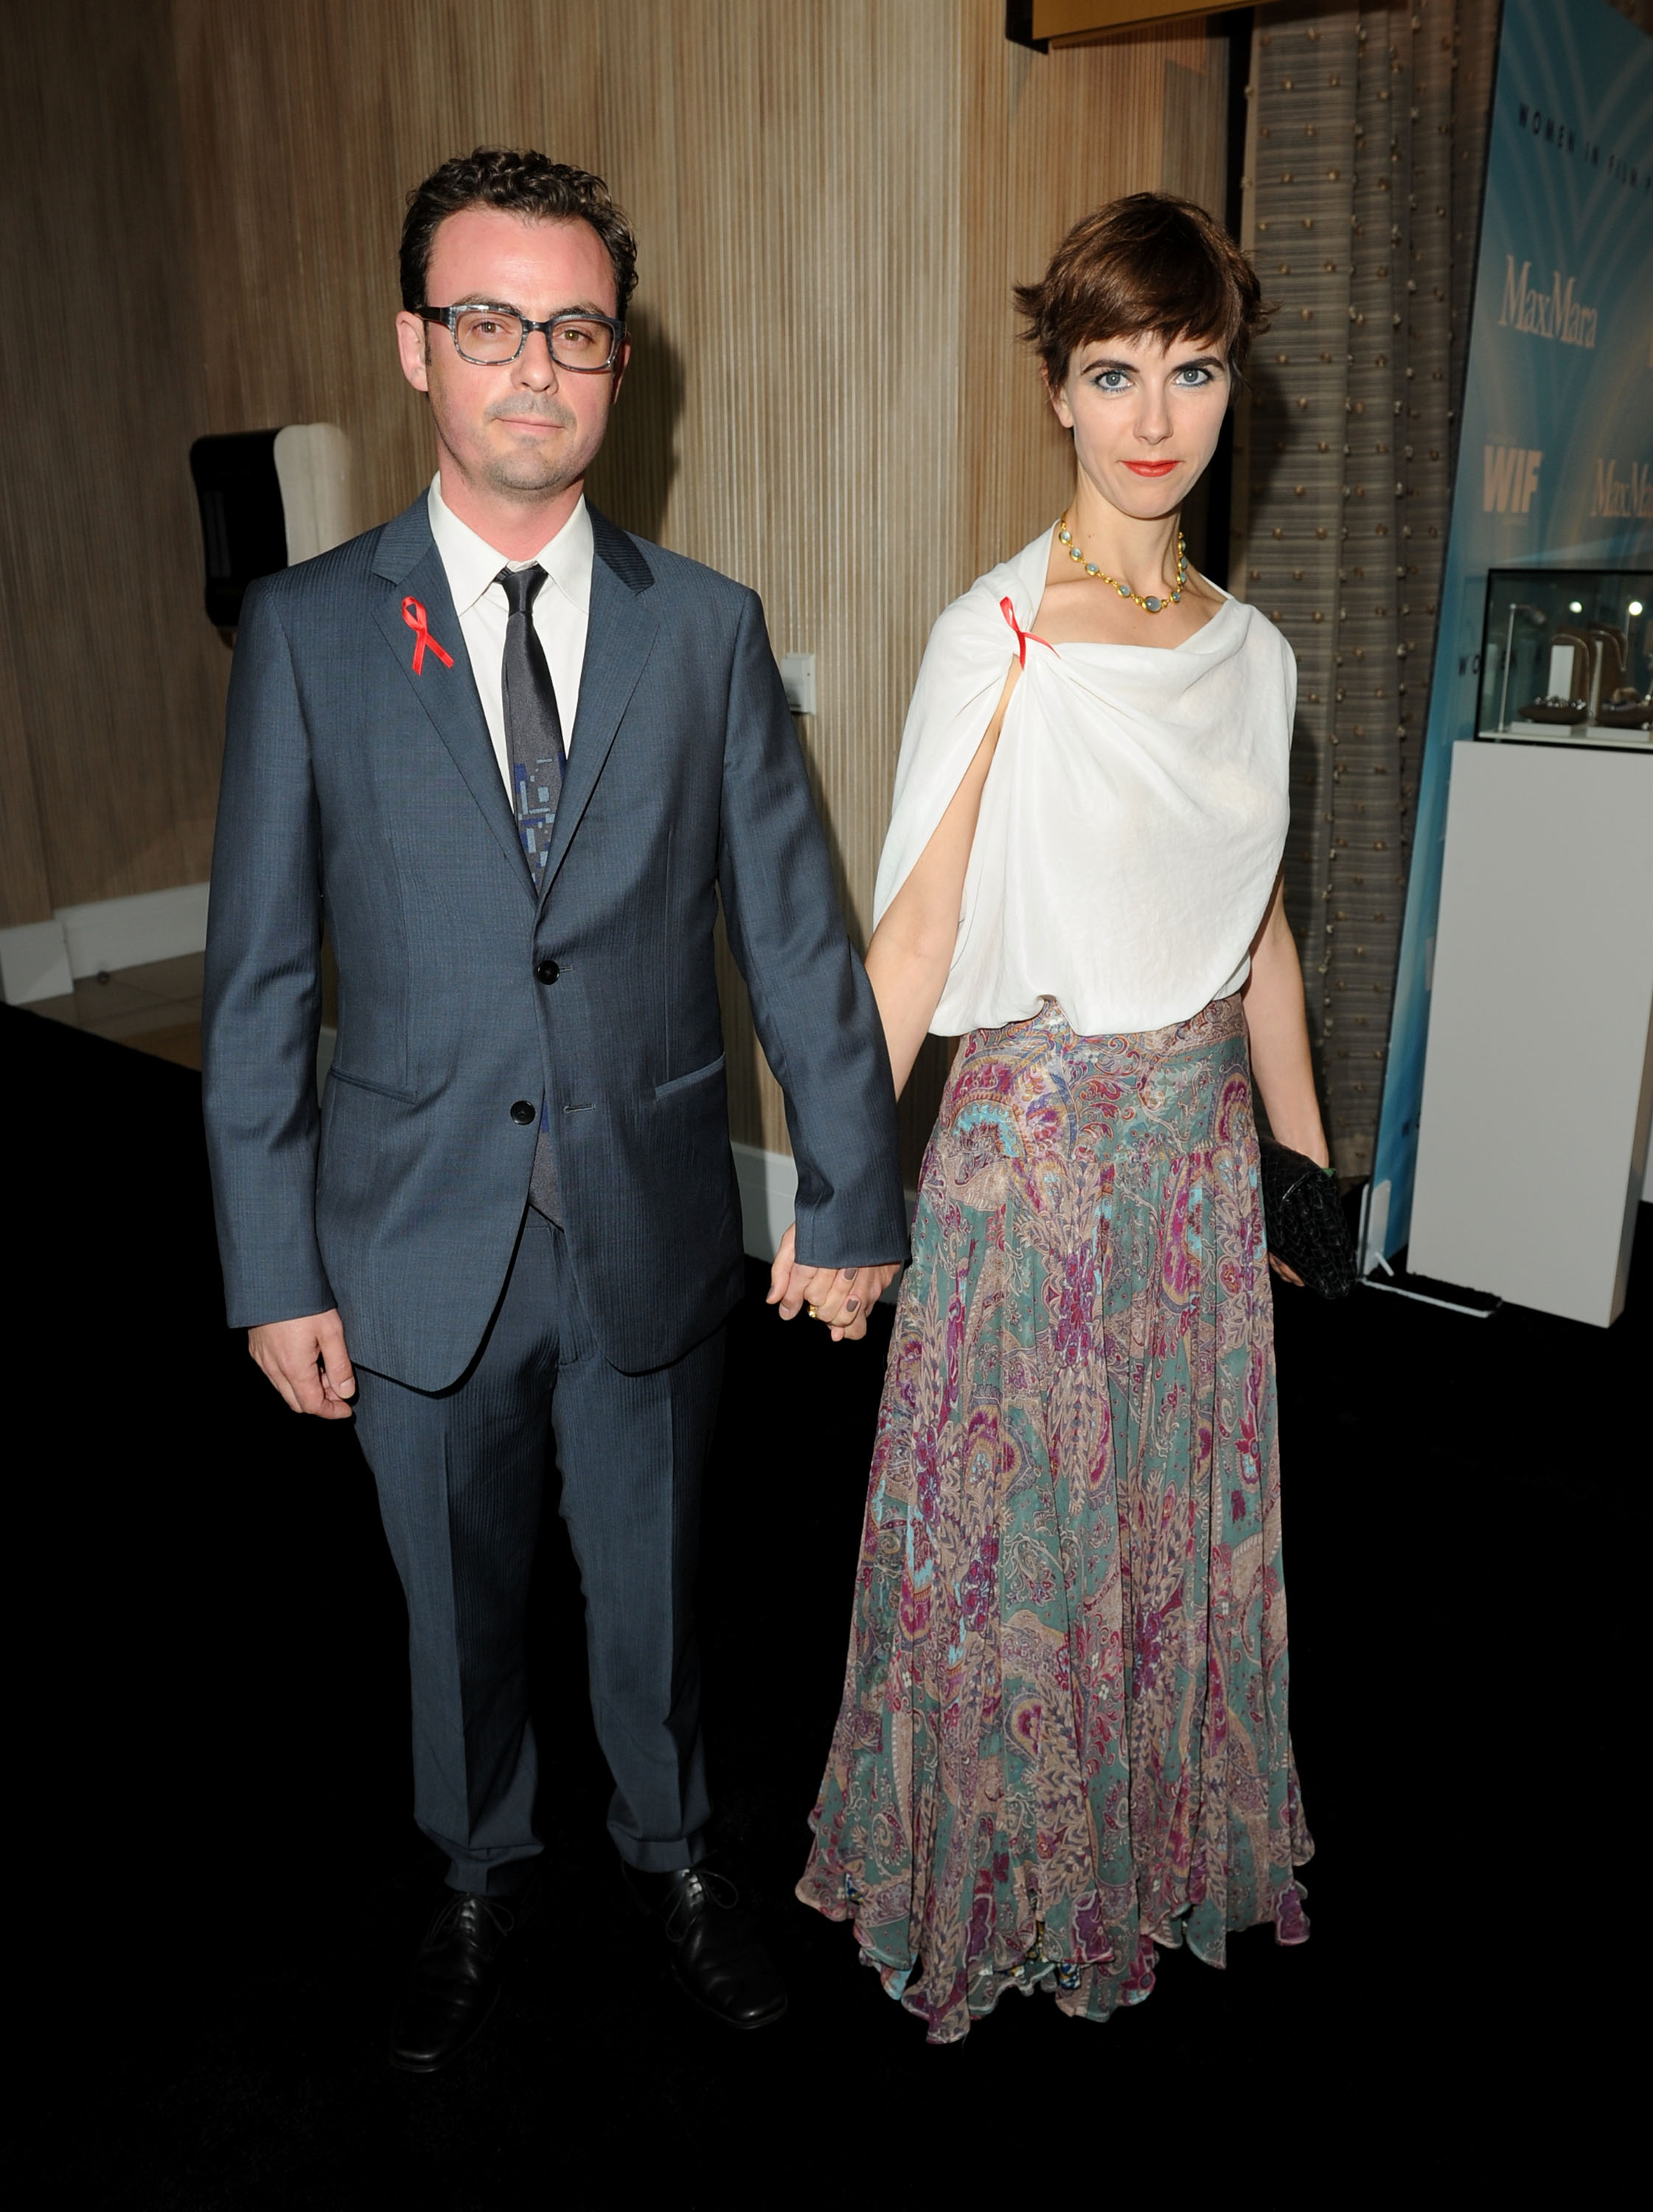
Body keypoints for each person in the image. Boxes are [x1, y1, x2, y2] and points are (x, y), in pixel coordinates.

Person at [201, 147, 906, 2072]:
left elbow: (799, 941)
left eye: (574, 331)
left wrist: (847, 1197)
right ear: (417, 345)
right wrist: (272, 1266)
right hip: (408, 1229)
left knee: (659, 1592)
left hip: (651, 1214)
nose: (536, 368)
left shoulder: (707, 633)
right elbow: (260, 981)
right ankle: (476, 1876)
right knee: (452, 1608)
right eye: (491, 324)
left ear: (618, 362)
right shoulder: (312, 633)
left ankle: (679, 1858)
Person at [797, 194, 1320, 2044]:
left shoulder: (1252, 661)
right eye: (1113, 372)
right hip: (1028, 1173)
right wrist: (840, 1185)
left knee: (1163, 1529)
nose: (1154, 412)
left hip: (1188, 1173)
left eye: (1189, 367)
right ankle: (1004, 1873)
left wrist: (1301, 1166)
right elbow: (916, 936)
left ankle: (1142, 1844)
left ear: (1227, 375)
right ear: (1057, 393)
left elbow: (1256, 933)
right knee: (1018, 1550)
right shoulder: (995, 635)